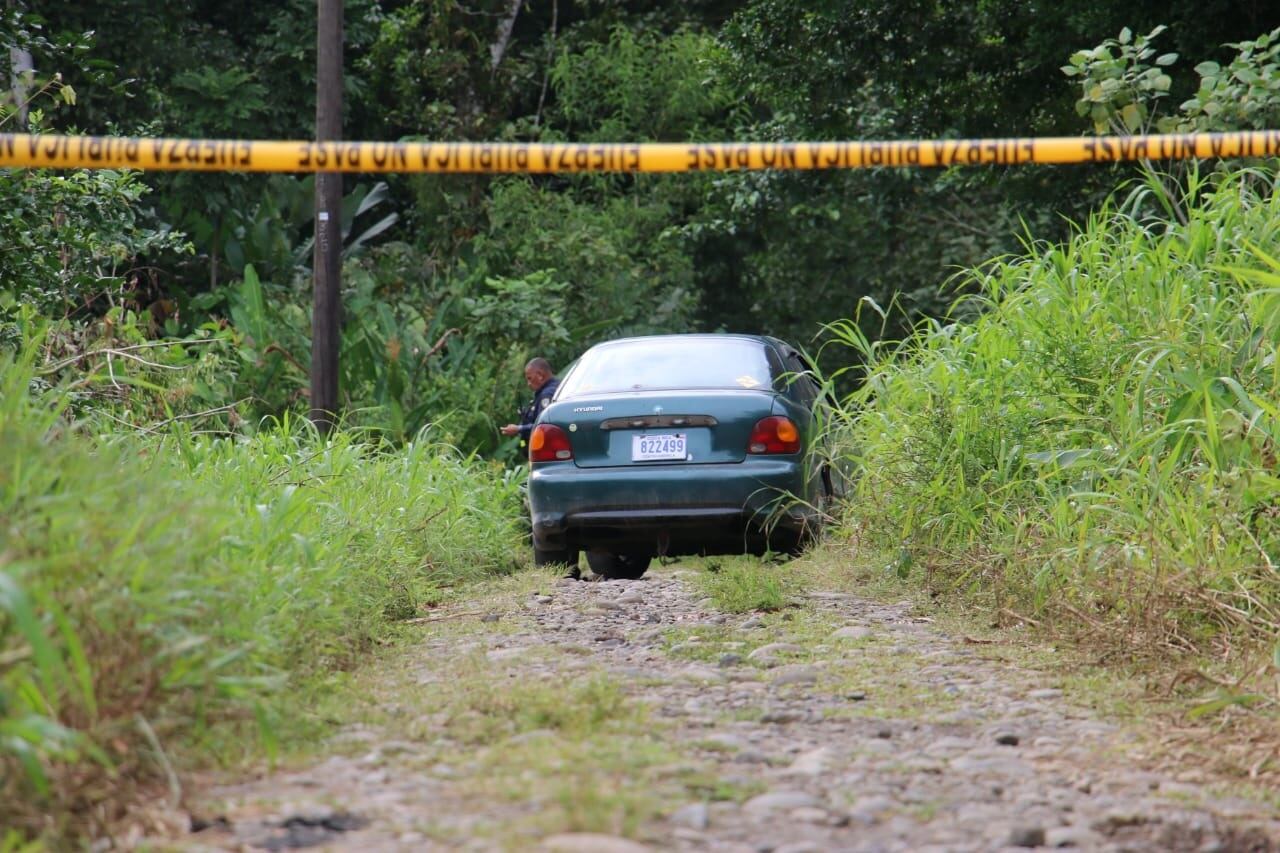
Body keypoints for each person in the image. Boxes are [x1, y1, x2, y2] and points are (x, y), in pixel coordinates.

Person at [501, 357, 560, 449]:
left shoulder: (546, 394)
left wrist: (518, 429)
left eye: (530, 378)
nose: (528, 383)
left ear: (540, 375)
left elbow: (544, 425)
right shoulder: (557, 385)